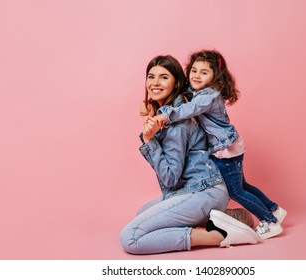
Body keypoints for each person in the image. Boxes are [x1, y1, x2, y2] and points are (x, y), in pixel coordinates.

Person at [119, 55, 261, 255]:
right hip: (193, 190)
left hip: (204, 191)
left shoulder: (177, 123)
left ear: (176, 82)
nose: (155, 83)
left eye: (164, 77)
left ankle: (219, 234)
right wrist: (151, 112)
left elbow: (170, 178)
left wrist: (150, 140)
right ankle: (224, 217)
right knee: (141, 216)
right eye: (151, 77)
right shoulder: (173, 109)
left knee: (130, 238)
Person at [153, 50, 287, 239]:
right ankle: (274, 210)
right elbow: (187, 94)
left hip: (226, 149)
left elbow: (190, 108)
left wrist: (165, 114)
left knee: (236, 191)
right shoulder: (199, 91)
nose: (197, 76)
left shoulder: (208, 95)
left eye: (204, 72)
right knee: (243, 185)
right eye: (194, 71)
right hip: (230, 145)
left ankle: (269, 221)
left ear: (215, 77)